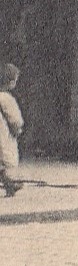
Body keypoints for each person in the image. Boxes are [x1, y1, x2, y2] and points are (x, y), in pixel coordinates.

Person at [0, 64, 25, 196]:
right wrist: (18, 129)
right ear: (10, 82)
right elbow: (14, 118)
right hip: (3, 135)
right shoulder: (6, 98)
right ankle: (10, 184)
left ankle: (10, 184)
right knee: (4, 163)